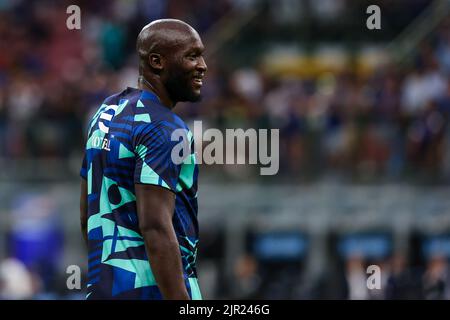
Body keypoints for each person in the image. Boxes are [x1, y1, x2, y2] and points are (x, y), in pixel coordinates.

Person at [79, 19, 207, 300]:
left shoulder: (105, 112)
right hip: (152, 290)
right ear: (157, 61)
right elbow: (156, 227)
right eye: (192, 55)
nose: (202, 66)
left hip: (105, 289)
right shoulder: (164, 127)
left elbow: (87, 214)